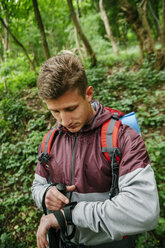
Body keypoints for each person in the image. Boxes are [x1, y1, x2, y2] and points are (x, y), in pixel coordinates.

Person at [32, 53, 160, 248]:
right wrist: (44, 194)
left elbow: (144, 211)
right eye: (55, 111)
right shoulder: (51, 139)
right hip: (64, 242)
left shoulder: (123, 138)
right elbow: (37, 186)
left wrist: (70, 215)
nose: (64, 121)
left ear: (88, 93)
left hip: (108, 243)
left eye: (71, 108)